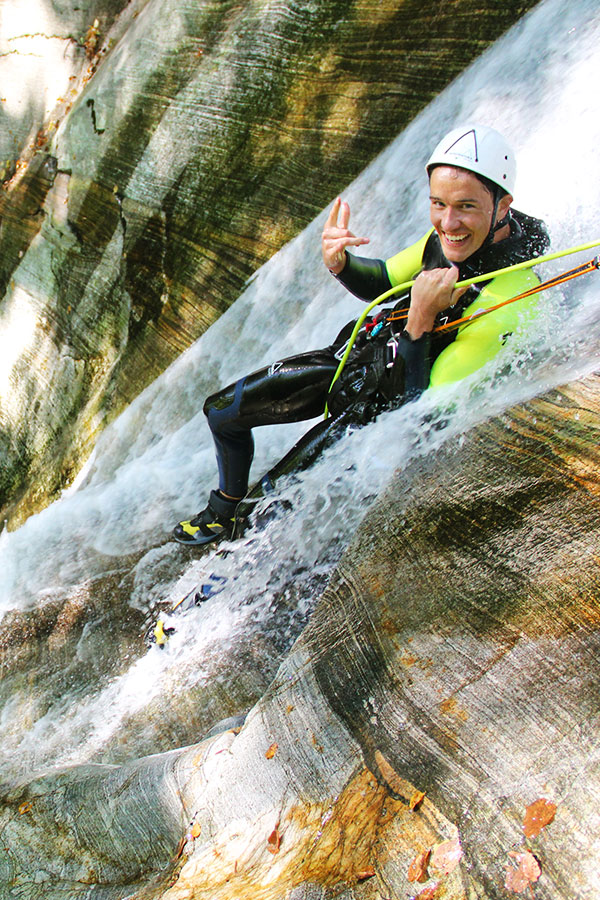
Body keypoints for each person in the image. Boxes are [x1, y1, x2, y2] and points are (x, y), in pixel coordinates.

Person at [173, 124, 549, 545]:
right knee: (221, 411)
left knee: (261, 514)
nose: (448, 222)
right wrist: (342, 264)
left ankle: (220, 581)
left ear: (503, 207)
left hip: (374, 415)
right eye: (438, 203)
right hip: (356, 360)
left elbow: (417, 414)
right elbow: (386, 278)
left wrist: (421, 318)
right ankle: (224, 506)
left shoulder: (513, 294)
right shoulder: (446, 240)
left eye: (465, 207)